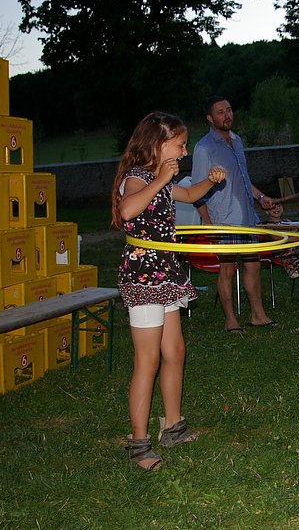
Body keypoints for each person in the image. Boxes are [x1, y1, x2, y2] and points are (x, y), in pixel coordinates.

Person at [110, 111, 226, 470]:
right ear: (158, 145)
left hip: (166, 273)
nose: (184, 150)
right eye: (179, 144)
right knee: (148, 360)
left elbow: (190, 194)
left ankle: (172, 427)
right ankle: (138, 445)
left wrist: (209, 180)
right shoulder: (136, 178)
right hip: (144, 277)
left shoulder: (162, 177)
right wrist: (160, 178)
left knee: (174, 351)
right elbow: (128, 210)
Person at [191, 95, 275, 333]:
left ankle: (258, 315)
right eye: (220, 112)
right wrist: (207, 223)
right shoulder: (204, 148)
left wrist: (260, 197)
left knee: (253, 265)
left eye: (229, 110)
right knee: (227, 269)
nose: (227, 115)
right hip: (223, 221)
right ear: (210, 118)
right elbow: (196, 190)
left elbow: (244, 179)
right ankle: (230, 320)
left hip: (247, 218)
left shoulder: (237, 141)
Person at [262, 201, 299, 303]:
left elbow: (298, 235)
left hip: (297, 250)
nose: (276, 209)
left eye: (279, 205)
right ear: (266, 211)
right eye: (272, 207)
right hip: (282, 253)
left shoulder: (287, 222)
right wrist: (294, 237)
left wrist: (295, 237)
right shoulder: (266, 225)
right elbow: (279, 239)